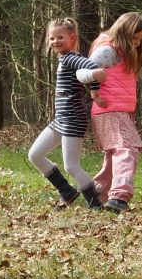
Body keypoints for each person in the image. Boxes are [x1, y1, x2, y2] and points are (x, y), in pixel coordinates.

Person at [28, 17, 107, 209]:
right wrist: (94, 92)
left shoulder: (72, 58)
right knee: (35, 154)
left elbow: (92, 69)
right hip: (61, 119)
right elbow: (89, 71)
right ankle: (66, 190)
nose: (55, 42)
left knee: (71, 165)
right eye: (52, 38)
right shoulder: (64, 59)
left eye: (60, 37)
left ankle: (94, 202)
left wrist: (95, 89)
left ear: (72, 38)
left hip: (73, 118)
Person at [76, 12, 142, 213]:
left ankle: (97, 195)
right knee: (127, 149)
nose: (136, 43)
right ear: (124, 33)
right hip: (109, 110)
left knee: (114, 154)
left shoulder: (122, 53)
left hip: (119, 111)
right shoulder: (108, 50)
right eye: (134, 38)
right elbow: (84, 72)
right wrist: (94, 88)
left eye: (140, 40)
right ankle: (119, 196)